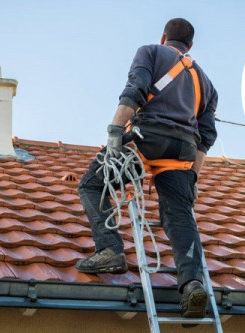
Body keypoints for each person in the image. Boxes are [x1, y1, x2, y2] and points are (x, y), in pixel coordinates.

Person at [76, 18, 218, 320]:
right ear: (190, 45)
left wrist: (115, 129)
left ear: (164, 36)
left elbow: (135, 89)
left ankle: (111, 251)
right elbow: (207, 137)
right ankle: (192, 283)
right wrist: (193, 175)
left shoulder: (150, 52)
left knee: (91, 184)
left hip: (145, 141)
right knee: (178, 214)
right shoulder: (206, 83)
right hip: (182, 152)